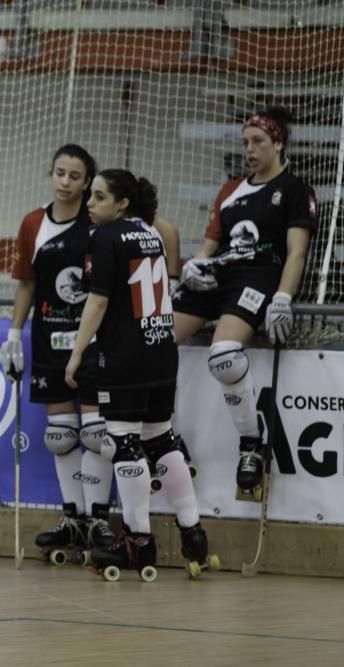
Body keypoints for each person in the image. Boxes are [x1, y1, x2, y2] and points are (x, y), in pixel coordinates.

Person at [66, 169, 211, 579]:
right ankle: (193, 532)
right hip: (162, 352)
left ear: (121, 203)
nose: (89, 204)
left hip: (126, 356)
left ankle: (138, 542)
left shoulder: (105, 238)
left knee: (124, 442)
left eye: (97, 197)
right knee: (161, 437)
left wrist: (77, 355)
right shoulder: (151, 233)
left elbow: (96, 304)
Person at [172, 107, 316, 494]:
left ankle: (251, 444)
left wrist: (283, 298)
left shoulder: (295, 189)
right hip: (218, 275)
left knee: (223, 355)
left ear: (279, 143)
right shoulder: (230, 190)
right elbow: (208, 247)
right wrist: (192, 268)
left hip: (258, 276)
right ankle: (163, 438)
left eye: (259, 142)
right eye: (246, 143)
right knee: (149, 345)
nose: (250, 150)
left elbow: (296, 252)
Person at [0, 144, 115, 560]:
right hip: (49, 339)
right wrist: (13, 335)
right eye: (59, 174)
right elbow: (26, 284)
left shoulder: (98, 223)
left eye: (75, 176)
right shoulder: (33, 222)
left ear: (88, 183)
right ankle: (74, 519)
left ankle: (99, 518)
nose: (65, 182)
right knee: (61, 436)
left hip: (95, 341)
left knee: (98, 435)